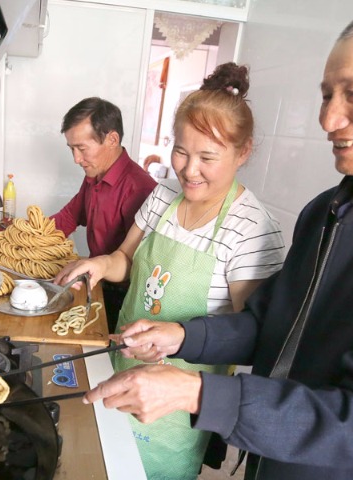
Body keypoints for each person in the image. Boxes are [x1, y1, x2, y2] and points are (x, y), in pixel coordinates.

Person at [82, 1, 353, 479]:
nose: (329, 119)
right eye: (327, 94)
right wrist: (182, 335)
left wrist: (198, 394)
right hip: (268, 459)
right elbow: (269, 324)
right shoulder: (324, 212)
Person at [56, 63, 286, 479]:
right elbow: (125, 256)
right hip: (121, 360)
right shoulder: (164, 194)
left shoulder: (251, 229)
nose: (188, 170)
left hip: (178, 402)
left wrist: (175, 342)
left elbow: (250, 335)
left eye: (207, 157)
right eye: (181, 151)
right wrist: (99, 264)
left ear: (244, 151)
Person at [50, 97, 158, 330]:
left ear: (112, 139)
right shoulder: (94, 176)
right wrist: (28, 235)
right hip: (96, 281)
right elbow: (69, 216)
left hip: (123, 298)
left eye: (82, 149)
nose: (76, 159)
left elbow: (138, 265)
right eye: (72, 149)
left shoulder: (140, 189)